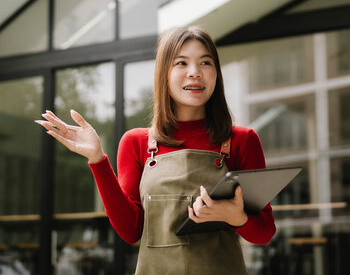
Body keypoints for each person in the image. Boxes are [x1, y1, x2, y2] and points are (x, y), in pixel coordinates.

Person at [36, 26, 276, 274]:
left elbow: (265, 231)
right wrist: (97, 159)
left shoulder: (242, 140)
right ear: (164, 74)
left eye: (206, 63)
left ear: (216, 73)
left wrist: (236, 216)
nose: (195, 73)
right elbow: (131, 231)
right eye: (181, 63)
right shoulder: (136, 143)